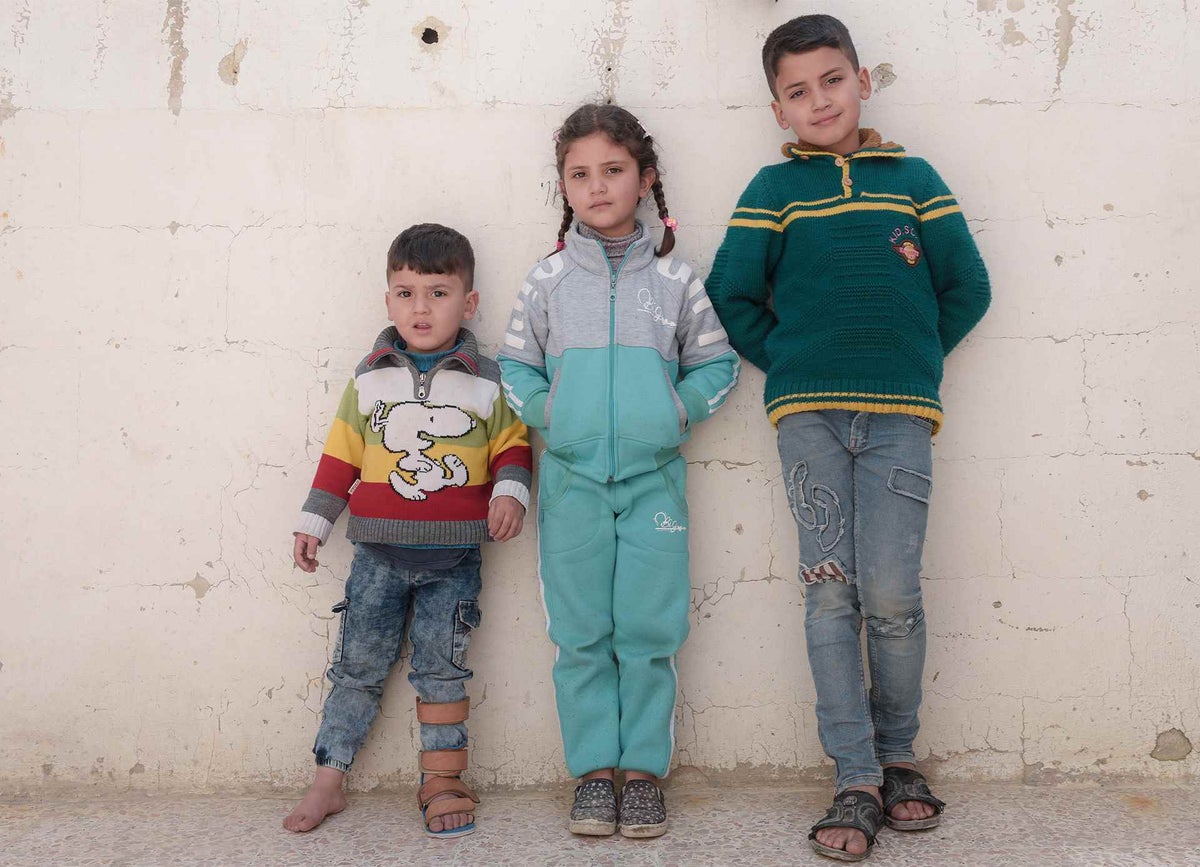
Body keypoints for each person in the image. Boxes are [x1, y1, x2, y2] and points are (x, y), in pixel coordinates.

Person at [706, 14, 991, 862]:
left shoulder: (915, 178)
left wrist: (908, 357)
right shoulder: (770, 191)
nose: (818, 99)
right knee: (831, 592)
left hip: (901, 420)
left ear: (863, 82)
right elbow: (732, 295)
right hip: (812, 423)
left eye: (833, 80)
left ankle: (900, 755)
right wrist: (791, 365)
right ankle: (855, 775)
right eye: (797, 90)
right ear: (778, 109)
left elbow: (967, 287)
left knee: (895, 594)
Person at [498, 104, 739, 839]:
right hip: (570, 481)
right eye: (580, 173)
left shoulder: (673, 278)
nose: (597, 186)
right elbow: (514, 363)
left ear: (645, 179)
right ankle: (593, 774)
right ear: (563, 186)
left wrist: (674, 410)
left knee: (647, 628)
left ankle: (642, 775)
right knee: (579, 632)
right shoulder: (545, 281)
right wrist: (551, 412)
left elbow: (717, 361)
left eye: (613, 170)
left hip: (652, 481)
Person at [283, 223, 532, 838]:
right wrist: (316, 518)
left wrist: (510, 492)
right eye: (405, 292)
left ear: (468, 302)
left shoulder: (488, 381)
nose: (420, 308)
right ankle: (328, 778)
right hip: (375, 557)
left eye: (438, 293)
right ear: (387, 299)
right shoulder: (369, 379)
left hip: (454, 561)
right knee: (357, 668)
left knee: (442, 670)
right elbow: (341, 454)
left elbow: (513, 447)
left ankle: (443, 780)